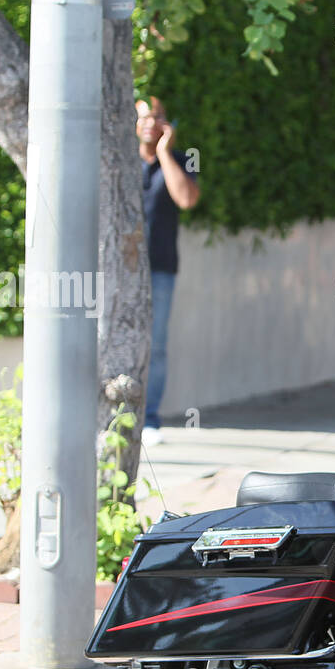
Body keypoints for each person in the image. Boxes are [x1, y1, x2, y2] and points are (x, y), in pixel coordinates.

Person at [137, 96, 200, 446]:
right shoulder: (118, 159)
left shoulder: (179, 160)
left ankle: (149, 420)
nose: (149, 121)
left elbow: (187, 199)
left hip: (160, 266)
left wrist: (163, 151)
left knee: (156, 344)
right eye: (143, 115)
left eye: (157, 116)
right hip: (121, 270)